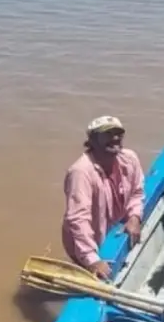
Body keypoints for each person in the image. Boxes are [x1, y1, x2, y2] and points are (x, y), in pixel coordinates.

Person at [62, 115, 145, 279]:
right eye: (107, 134)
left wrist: (135, 216)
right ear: (92, 141)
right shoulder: (81, 172)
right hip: (84, 239)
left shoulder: (129, 158)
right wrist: (91, 260)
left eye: (118, 133)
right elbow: (78, 219)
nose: (115, 138)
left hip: (111, 225)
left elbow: (137, 191)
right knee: (90, 278)